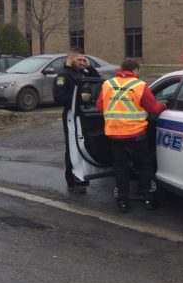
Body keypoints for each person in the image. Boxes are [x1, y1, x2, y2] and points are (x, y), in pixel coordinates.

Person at [97, 58, 166, 213]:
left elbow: (100, 105)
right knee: (145, 165)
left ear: (121, 69)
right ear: (136, 70)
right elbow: (154, 109)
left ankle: (122, 201)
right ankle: (148, 198)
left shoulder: (108, 84)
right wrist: (164, 105)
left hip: (115, 135)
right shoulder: (140, 85)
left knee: (121, 168)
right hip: (136, 135)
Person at [53, 48, 101, 194]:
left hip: (85, 114)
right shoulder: (63, 76)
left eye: (83, 59)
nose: (82, 62)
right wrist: (80, 98)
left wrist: (89, 66)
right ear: (71, 58)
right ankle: (73, 179)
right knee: (72, 146)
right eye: (79, 60)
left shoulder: (81, 72)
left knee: (84, 144)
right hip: (71, 115)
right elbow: (59, 98)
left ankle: (82, 175)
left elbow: (96, 80)